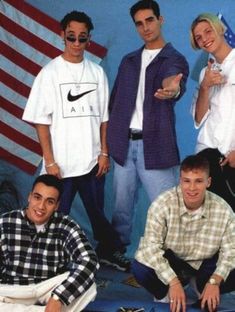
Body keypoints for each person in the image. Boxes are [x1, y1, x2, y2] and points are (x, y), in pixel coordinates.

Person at [23, 11, 130, 272]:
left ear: (89, 40)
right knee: (54, 215)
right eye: (71, 37)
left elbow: (104, 118)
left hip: (92, 161)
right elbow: (41, 121)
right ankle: (43, 259)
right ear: (63, 35)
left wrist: (104, 152)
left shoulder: (96, 72)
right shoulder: (50, 73)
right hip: (60, 163)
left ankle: (108, 251)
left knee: (96, 212)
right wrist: (49, 160)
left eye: (82, 38)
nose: (76, 43)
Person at [107, 0, 189, 254]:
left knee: (165, 207)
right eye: (139, 23)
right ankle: (116, 253)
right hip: (123, 144)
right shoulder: (129, 61)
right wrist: (110, 141)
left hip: (156, 145)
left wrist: (172, 89)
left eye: (150, 20)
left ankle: (171, 259)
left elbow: (173, 78)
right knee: (121, 206)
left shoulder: (173, 58)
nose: (145, 27)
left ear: (160, 20)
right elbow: (115, 102)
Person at [132, 154, 235, 312]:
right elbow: (151, 248)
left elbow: (231, 252)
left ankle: (201, 284)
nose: (192, 188)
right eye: (186, 181)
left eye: (198, 181)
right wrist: (173, 282)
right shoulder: (162, 204)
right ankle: (164, 293)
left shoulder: (224, 210)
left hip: (205, 263)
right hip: (173, 260)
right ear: (180, 181)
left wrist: (215, 280)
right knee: (141, 267)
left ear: (208, 182)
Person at [0, 174, 99, 312]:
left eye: (49, 201)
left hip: (48, 290)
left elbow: (89, 260)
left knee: (89, 287)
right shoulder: (5, 222)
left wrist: (59, 297)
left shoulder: (65, 225)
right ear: (29, 196)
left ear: (57, 205)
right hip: (12, 290)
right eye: (37, 197)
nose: (41, 206)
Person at [190, 13, 235, 211]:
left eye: (208, 31)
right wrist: (205, 86)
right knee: (210, 222)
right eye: (198, 37)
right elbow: (199, 119)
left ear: (221, 29)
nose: (204, 38)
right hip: (207, 156)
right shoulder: (204, 72)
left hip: (231, 156)